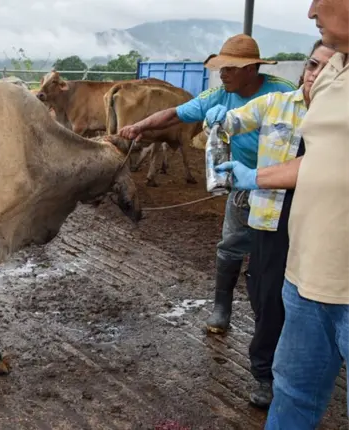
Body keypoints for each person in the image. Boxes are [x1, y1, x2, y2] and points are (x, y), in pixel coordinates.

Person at [215, 0, 349, 426]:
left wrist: (257, 176)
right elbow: (326, 159)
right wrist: (254, 176)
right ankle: (258, 365)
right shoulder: (334, 72)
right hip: (307, 277)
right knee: (290, 391)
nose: (311, 10)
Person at [118, 34, 297, 335]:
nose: (222, 73)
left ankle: (278, 318)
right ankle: (222, 307)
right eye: (221, 68)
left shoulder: (284, 94)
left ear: (252, 68)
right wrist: (140, 126)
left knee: (281, 254)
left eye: (230, 68)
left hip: (284, 185)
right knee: (230, 245)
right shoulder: (218, 95)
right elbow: (175, 114)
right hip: (242, 184)